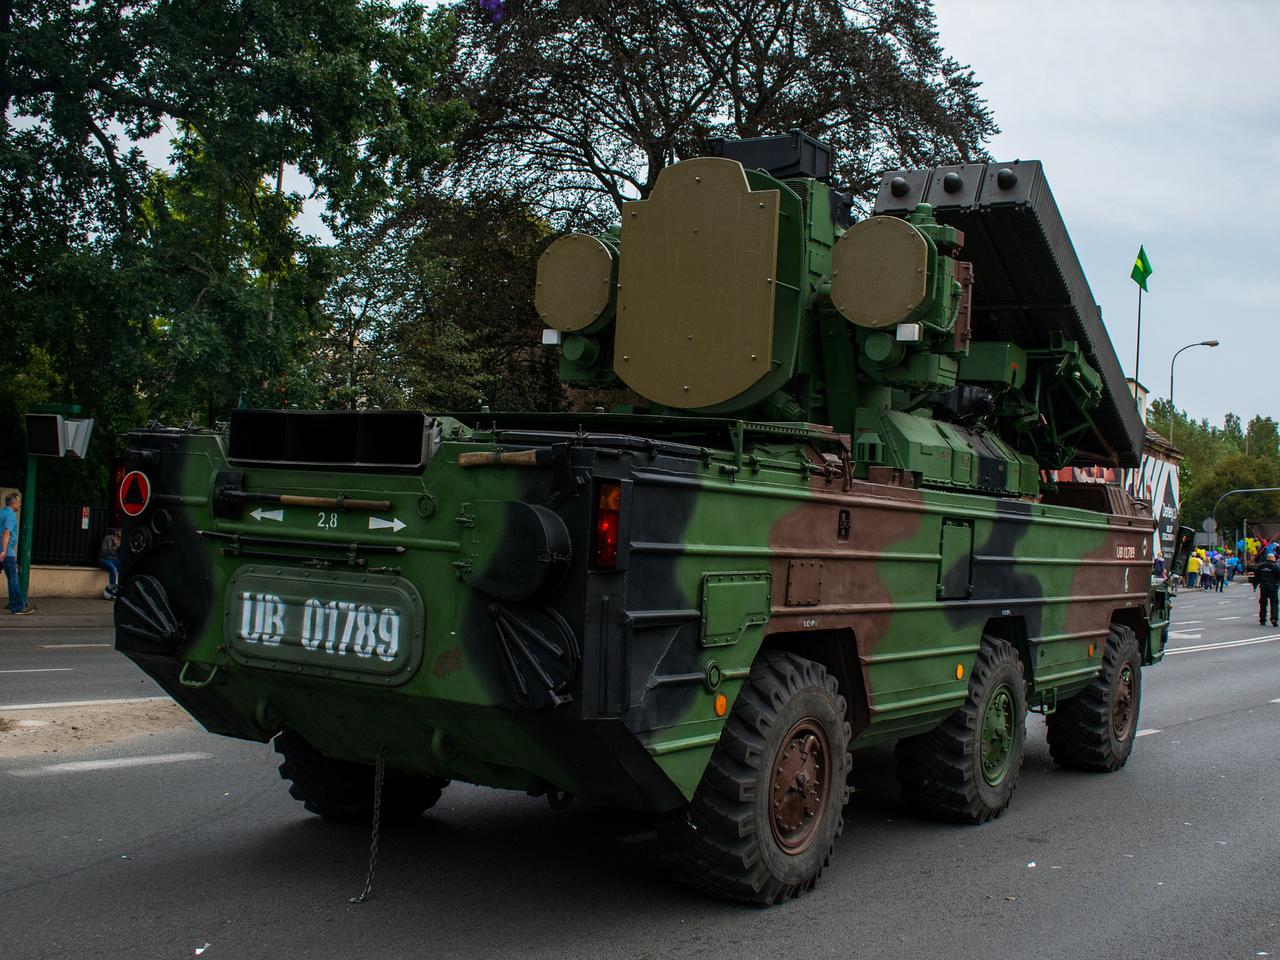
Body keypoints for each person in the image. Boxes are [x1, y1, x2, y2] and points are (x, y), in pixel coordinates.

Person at [1, 492, 33, 615]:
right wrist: (4, 550)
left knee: (11, 579)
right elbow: (6, 533)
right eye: (18, 502)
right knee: (14, 579)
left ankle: (13, 603)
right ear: (13, 503)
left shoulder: (1, 513)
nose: (19, 505)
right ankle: (18, 607)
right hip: (7, 553)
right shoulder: (10, 515)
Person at [1251, 552, 1280, 627]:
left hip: (1263, 587)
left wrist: (1255, 585)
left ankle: (1262, 619)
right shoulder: (1275, 566)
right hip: (1273, 587)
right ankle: (1274, 618)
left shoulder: (1261, 566)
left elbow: (1256, 576)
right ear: (1272, 558)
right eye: (1274, 557)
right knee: (1274, 603)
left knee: (1263, 604)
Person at [98, 529, 121, 600]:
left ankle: (120, 590)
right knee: (113, 569)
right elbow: (104, 553)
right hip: (105, 559)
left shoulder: (122, 540)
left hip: (115, 560)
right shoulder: (108, 538)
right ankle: (112, 591)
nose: (120, 532)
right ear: (116, 531)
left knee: (125, 569)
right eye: (119, 530)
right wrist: (115, 547)